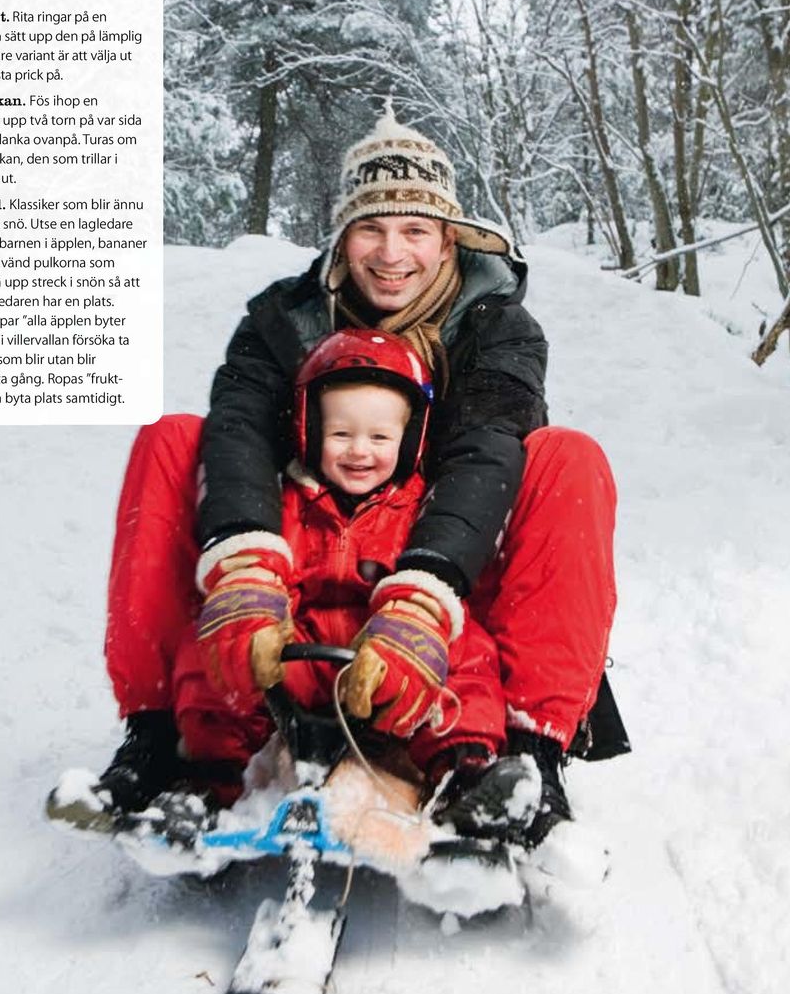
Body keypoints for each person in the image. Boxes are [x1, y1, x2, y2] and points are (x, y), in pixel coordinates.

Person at [79, 106, 618, 848]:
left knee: (569, 458)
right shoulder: (282, 319)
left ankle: (528, 758)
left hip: (440, 574)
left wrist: (425, 596)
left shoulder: (497, 327)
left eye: (416, 230)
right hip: (304, 558)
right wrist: (243, 562)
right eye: (371, 228)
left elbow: (488, 451)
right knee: (174, 439)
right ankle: (158, 740)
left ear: (448, 237)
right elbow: (236, 430)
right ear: (341, 235)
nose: (391, 252)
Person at [169, 328, 538, 840]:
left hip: (387, 665)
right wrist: (260, 612)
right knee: (213, 642)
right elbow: (280, 581)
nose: (359, 451)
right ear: (309, 429)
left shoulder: (419, 510)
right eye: (341, 434)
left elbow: (438, 584)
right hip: (300, 662)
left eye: (380, 438)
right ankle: (204, 780)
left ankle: (464, 771)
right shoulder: (289, 503)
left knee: (466, 650)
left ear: (409, 440)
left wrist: (419, 622)